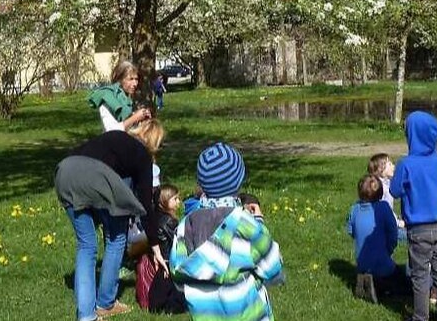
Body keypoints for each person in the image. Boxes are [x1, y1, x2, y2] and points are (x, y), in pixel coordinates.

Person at [54, 119, 168, 321]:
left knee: (86, 245)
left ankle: (86, 316)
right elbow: (146, 206)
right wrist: (156, 246)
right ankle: (105, 303)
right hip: (94, 178)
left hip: (64, 172)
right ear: (155, 143)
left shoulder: (115, 136)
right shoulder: (142, 157)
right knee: (116, 238)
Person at [169, 142, 283, 320]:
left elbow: (178, 276)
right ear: (239, 181)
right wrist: (259, 222)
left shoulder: (187, 225)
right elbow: (272, 267)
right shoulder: (245, 224)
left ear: (202, 184)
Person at [390, 111, 437, 321]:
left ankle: (420, 317)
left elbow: (395, 191)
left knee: (420, 275)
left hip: (418, 229)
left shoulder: (406, 164)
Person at [346, 174, 409, 302]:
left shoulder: (354, 209)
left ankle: (367, 280)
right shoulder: (383, 208)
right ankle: (381, 287)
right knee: (405, 281)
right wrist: (389, 249)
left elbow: (351, 232)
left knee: (380, 269)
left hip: (362, 264)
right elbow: (393, 233)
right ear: (381, 192)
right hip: (383, 264)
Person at [139, 184, 187, 314]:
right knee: (171, 289)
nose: (179, 202)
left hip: (162, 258)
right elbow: (178, 242)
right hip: (169, 260)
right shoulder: (169, 222)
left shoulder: (157, 217)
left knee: (163, 286)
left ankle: (159, 306)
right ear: (164, 201)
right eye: (175, 199)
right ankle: (168, 308)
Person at [88, 60, 151, 132]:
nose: (135, 84)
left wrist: (142, 118)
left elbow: (128, 125)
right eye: (131, 79)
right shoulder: (108, 97)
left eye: (136, 79)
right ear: (120, 80)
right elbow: (111, 131)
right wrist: (135, 117)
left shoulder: (127, 98)